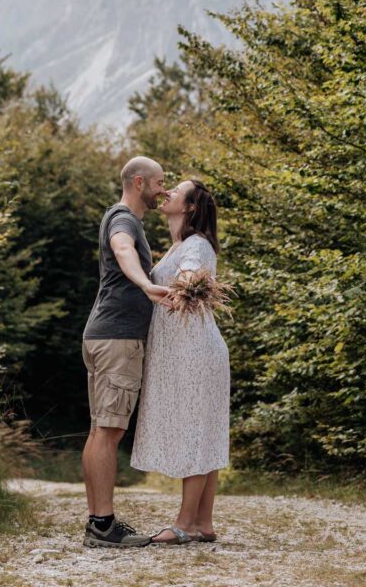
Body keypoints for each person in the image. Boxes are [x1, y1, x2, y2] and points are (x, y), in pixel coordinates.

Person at [130, 178, 230, 545]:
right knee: (204, 432)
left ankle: (185, 524)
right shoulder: (179, 245)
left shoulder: (195, 246)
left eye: (177, 189)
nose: (168, 190)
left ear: (189, 207)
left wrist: (185, 283)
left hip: (195, 352)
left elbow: (192, 274)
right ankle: (203, 522)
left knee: (195, 431)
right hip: (188, 351)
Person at [81, 155, 171, 548]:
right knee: (108, 431)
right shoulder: (124, 219)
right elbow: (122, 250)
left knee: (101, 429)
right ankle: (102, 526)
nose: (163, 190)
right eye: (159, 183)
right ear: (139, 182)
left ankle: (98, 523)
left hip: (107, 336)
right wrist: (145, 285)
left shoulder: (128, 220)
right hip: (116, 339)